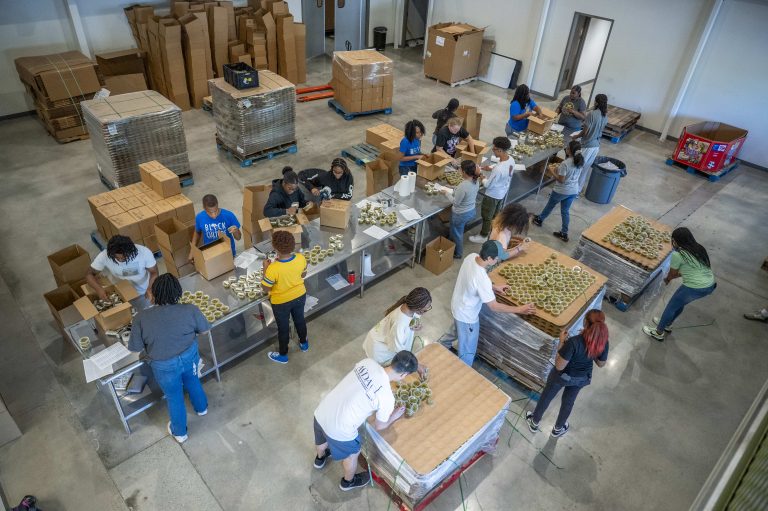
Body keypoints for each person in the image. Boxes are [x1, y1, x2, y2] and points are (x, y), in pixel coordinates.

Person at [313, 351, 418, 491]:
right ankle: (347, 482)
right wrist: (394, 415)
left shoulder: (367, 363)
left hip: (323, 411)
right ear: (404, 375)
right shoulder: (387, 397)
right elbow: (379, 426)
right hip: (340, 430)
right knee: (352, 455)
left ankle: (320, 458)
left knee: (321, 439)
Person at [128, 274, 210, 443]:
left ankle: (180, 432)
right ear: (178, 292)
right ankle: (202, 408)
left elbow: (135, 348)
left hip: (164, 365)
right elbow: (204, 331)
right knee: (193, 380)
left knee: (174, 396)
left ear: (154, 293)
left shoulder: (141, 318)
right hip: (189, 357)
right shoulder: (190, 309)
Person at [525, 309, 609, 438]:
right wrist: (593, 348)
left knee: (547, 396)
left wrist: (562, 342)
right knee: (568, 402)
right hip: (582, 378)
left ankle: (534, 422)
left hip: (563, 376)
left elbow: (559, 366)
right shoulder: (603, 342)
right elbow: (601, 364)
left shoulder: (574, 342)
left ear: (585, 322)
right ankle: (558, 428)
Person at [451, 241, 536, 366]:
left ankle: (441, 348)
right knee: (468, 350)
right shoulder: (481, 277)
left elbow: (475, 284)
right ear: (490, 258)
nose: (497, 260)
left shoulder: (471, 257)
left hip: (457, 304)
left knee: (455, 333)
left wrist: (494, 287)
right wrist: (519, 309)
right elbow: (494, 306)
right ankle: (463, 372)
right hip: (466, 316)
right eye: (496, 258)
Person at [643, 227, 716, 341]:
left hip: (694, 287)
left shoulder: (678, 255)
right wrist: (678, 275)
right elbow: (691, 270)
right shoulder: (698, 249)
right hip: (709, 284)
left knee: (671, 307)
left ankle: (658, 332)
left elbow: (672, 274)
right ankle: (667, 324)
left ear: (676, 241)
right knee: (679, 304)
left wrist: (667, 280)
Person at [262, 230, 309, 363]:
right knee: (300, 320)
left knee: (283, 328)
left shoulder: (273, 268)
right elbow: (303, 275)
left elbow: (266, 288)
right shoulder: (301, 258)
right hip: (300, 295)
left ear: (275, 248)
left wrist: (265, 268)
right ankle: (304, 343)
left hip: (280, 302)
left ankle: (283, 355)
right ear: (293, 245)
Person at [363, 287, 432, 375]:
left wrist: (416, 324)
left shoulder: (409, 307)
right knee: (378, 373)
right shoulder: (400, 323)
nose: (426, 311)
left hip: (384, 340)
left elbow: (415, 317)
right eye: (425, 309)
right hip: (380, 350)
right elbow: (399, 350)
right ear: (417, 307)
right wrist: (417, 366)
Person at [531, 140, 585, 243]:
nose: (566, 149)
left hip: (562, 190)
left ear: (570, 150)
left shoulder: (565, 163)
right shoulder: (581, 161)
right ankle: (564, 233)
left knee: (550, 205)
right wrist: (559, 169)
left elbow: (561, 180)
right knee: (565, 211)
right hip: (573, 190)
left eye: (567, 148)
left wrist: (551, 171)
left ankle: (539, 220)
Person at [86, 234, 158, 309]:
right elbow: (89, 274)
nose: (120, 260)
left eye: (124, 257)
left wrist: (150, 289)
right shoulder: (104, 255)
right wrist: (99, 289)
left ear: (131, 251)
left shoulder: (144, 252)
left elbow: (154, 272)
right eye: (116, 257)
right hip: (122, 292)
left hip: (144, 291)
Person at [470, 137, 515, 244]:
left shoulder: (499, 169)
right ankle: (493, 232)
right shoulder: (510, 159)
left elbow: (488, 185)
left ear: (500, 150)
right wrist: (491, 168)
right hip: (502, 193)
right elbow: (504, 170)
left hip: (492, 195)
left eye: (494, 149)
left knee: (487, 216)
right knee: (496, 215)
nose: (492, 150)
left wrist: (480, 174)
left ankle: (483, 235)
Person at [441, 160, 480, 260]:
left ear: (464, 172)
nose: (458, 170)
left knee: (458, 234)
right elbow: (465, 191)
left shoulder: (463, 186)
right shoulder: (475, 180)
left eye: (459, 168)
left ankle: (458, 253)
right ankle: (450, 240)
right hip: (471, 211)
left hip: (460, 214)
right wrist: (453, 187)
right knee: (455, 229)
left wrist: (446, 193)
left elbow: (455, 203)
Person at [572, 93, 608, 193]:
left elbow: (585, 131)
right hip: (596, 146)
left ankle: (571, 189)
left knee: (578, 168)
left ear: (596, 102)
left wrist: (576, 136)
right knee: (585, 170)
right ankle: (578, 191)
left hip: (587, 145)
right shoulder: (605, 116)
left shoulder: (592, 114)